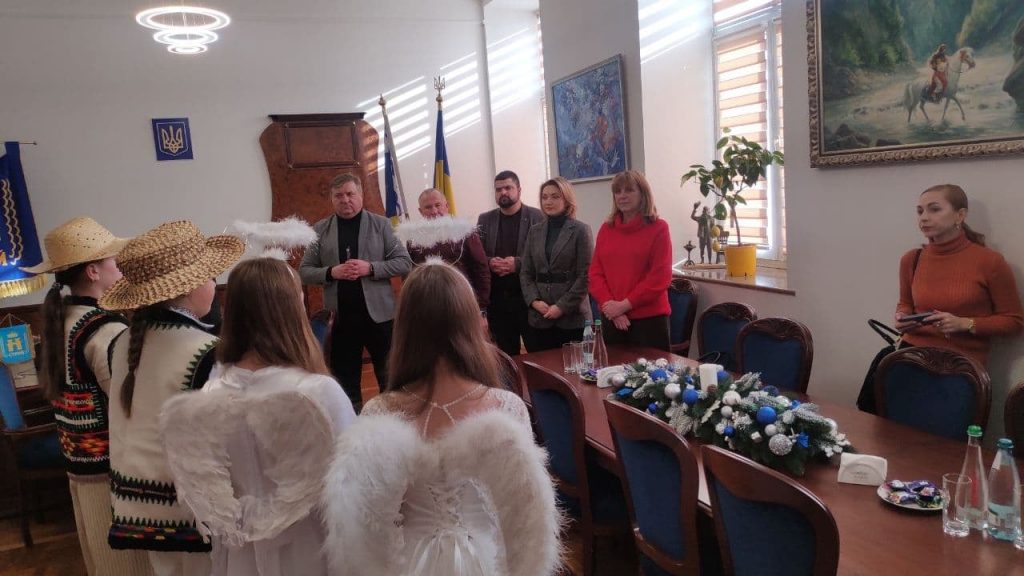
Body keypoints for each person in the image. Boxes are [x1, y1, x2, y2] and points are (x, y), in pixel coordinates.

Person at [322, 262, 562, 576]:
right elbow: (524, 512)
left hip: (411, 561)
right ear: (471, 323)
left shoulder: (380, 411)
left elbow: (371, 516)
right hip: (490, 560)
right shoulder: (505, 406)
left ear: (405, 328)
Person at [160, 258, 356, 576]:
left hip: (243, 557)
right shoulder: (317, 391)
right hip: (311, 551)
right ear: (293, 309)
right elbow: (354, 488)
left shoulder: (212, 390)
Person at [101, 220, 244, 576]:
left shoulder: (120, 342)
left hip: (136, 506)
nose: (214, 284)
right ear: (192, 286)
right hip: (190, 514)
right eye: (211, 276)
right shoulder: (204, 350)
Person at [23, 217, 151, 576]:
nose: (119, 268)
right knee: (126, 565)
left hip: (79, 464)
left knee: (101, 556)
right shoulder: (104, 330)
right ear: (93, 271)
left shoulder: (60, 320)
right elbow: (127, 404)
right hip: (110, 471)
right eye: (113, 261)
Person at [298, 172, 413, 410]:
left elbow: (404, 262)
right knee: (345, 382)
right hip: (340, 320)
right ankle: (352, 422)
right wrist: (331, 272)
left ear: (360, 195)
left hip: (380, 317)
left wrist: (370, 268)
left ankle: (392, 420)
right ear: (332, 199)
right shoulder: (320, 230)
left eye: (350, 194)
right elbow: (304, 271)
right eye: (338, 196)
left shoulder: (381, 224)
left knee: (390, 378)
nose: (345, 200)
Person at [894, 183, 1023, 365]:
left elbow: (1014, 322)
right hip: (912, 354)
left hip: (960, 364)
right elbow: (905, 303)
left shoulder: (990, 261)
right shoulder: (912, 259)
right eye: (920, 211)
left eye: (934, 209)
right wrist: (902, 317)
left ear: (960, 215)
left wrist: (966, 323)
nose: (924, 218)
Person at [589, 170, 673, 351]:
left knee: (651, 370)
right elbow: (595, 273)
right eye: (617, 191)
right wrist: (612, 308)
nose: (622, 196)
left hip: (649, 320)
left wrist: (624, 306)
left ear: (643, 193)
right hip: (612, 317)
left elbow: (660, 277)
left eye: (629, 190)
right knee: (612, 369)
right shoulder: (606, 229)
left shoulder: (658, 228)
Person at [520, 177, 593, 351]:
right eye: (544, 197)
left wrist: (561, 306)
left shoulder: (581, 230)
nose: (548, 202)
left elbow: (586, 275)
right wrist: (534, 301)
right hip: (540, 315)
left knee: (573, 365)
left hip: (572, 317)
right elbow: (526, 272)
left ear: (566, 199)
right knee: (542, 365)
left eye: (555, 196)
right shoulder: (534, 231)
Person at [477, 170, 544, 355]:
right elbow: (477, 255)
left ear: (519, 190)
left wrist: (518, 264)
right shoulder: (485, 219)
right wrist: (490, 262)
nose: (503, 192)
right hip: (498, 300)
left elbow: (544, 257)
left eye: (508, 188)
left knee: (538, 353)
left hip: (529, 299)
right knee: (505, 357)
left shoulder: (537, 217)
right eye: (498, 189)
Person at [396, 188, 490, 311]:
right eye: (428, 207)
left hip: (462, 302)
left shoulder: (465, 232)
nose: (434, 211)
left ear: (447, 206)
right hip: (425, 304)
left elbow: (481, 270)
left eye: (438, 205)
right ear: (420, 211)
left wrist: (481, 308)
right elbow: (408, 274)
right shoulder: (413, 239)